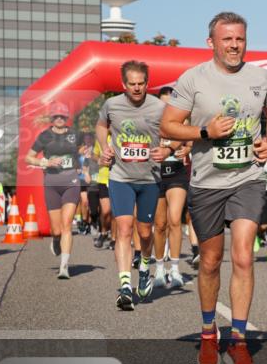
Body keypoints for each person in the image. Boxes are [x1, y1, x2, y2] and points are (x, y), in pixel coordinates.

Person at [161, 11, 267, 364]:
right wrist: (204, 132)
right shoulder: (193, 79)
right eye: (227, 39)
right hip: (207, 182)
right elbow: (168, 125)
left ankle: (240, 340)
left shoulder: (261, 78)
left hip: (247, 178)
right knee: (211, 261)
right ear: (211, 42)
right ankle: (209, 333)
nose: (234, 45)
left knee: (244, 257)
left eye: (240, 39)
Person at [97, 61, 169, 308]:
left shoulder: (160, 107)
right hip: (120, 176)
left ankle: (145, 266)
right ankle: (125, 285)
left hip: (149, 178)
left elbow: (178, 132)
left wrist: (168, 148)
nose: (137, 88)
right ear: (123, 84)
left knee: (145, 232)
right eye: (132, 84)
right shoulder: (112, 105)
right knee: (124, 229)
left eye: (141, 84)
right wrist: (105, 148)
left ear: (147, 84)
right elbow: (101, 125)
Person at [25, 102, 83, 279]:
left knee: (67, 225)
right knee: (56, 230)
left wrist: (84, 162)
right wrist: (45, 162)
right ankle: (56, 240)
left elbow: (82, 152)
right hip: (51, 183)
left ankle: (64, 266)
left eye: (63, 117)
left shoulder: (75, 134)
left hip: (71, 182)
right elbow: (29, 157)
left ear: (66, 118)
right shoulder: (45, 136)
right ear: (52, 118)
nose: (59, 119)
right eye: (56, 116)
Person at [152, 86, 192, 288]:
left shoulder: (182, 120)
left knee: (174, 220)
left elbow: (191, 141)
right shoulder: (150, 119)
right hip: (155, 174)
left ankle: (175, 269)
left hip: (177, 173)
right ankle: (159, 269)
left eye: (170, 102)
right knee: (159, 225)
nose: (166, 106)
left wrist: (185, 149)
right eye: (163, 102)